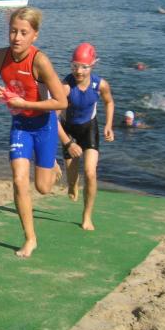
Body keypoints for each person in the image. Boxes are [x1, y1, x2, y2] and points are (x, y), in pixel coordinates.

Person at [0, 7, 66, 258]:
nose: (16, 37)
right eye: (13, 31)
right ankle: (30, 238)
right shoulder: (0, 56)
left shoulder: (40, 61)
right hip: (20, 126)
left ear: (35, 35)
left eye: (23, 33)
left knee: (43, 188)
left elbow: (61, 102)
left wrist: (25, 103)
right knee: (18, 180)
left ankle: (53, 163)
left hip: (45, 125)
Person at [55, 43, 114, 231]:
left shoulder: (100, 85)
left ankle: (87, 216)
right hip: (68, 130)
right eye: (74, 66)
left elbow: (109, 102)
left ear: (92, 65)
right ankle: (72, 184)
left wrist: (108, 125)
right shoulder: (65, 87)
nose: (78, 71)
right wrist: (68, 143)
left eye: (84, 67)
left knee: (90, 173)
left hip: (89, 128)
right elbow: (52, 118)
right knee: (72, 177)